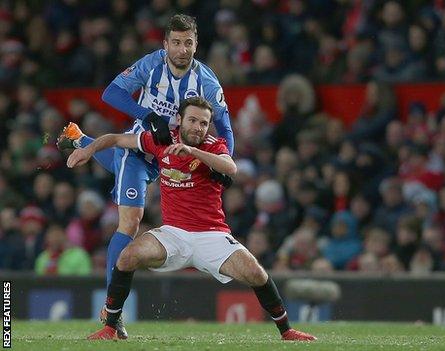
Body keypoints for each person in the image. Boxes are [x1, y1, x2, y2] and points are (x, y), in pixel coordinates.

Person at [67, 97, 315, 342]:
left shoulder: (213, 145)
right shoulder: (161, 141)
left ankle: (287, 331)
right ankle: (111, 327)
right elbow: (116, 139)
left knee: (256, 273)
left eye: (204, 123)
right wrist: (88, 148)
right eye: (193, 120)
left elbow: (231, 168)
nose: (198, 127)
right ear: (179, 120)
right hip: (174, 233)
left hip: (212, 234)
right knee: (128, 256)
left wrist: (193, 151)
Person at [56, 14, 234, 337]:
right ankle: (115, 314)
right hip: (139, 148)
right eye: (176, 43)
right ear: (165, 43)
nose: (182, 49)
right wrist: (147, 115)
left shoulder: (207, 81)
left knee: (128, 184)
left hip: (172, 158)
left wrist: (224, 162)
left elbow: (226, 128)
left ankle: (79, 138)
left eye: (188, 43)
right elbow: (111, 93)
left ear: (196, 45)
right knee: (131, 221)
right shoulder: (151, 65)